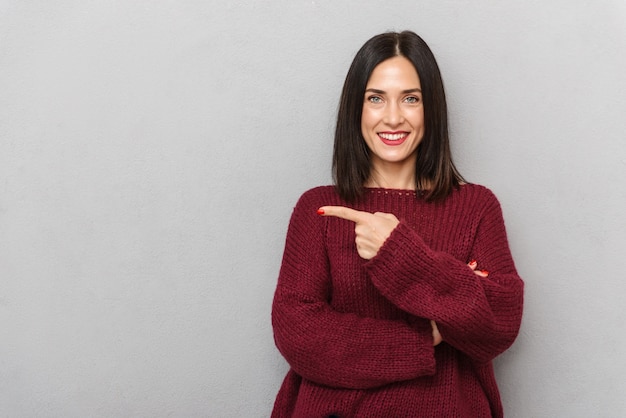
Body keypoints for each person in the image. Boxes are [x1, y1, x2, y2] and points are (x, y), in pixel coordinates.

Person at [271, 30, 524, 418]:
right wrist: (430, 334)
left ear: (430, 108)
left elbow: (499, 321)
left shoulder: (476, 206)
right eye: (376, 98)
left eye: (410, 98)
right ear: (356, 107)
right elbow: (300, 335)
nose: (393, 117)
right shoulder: (318, 208)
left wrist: (398, 253)